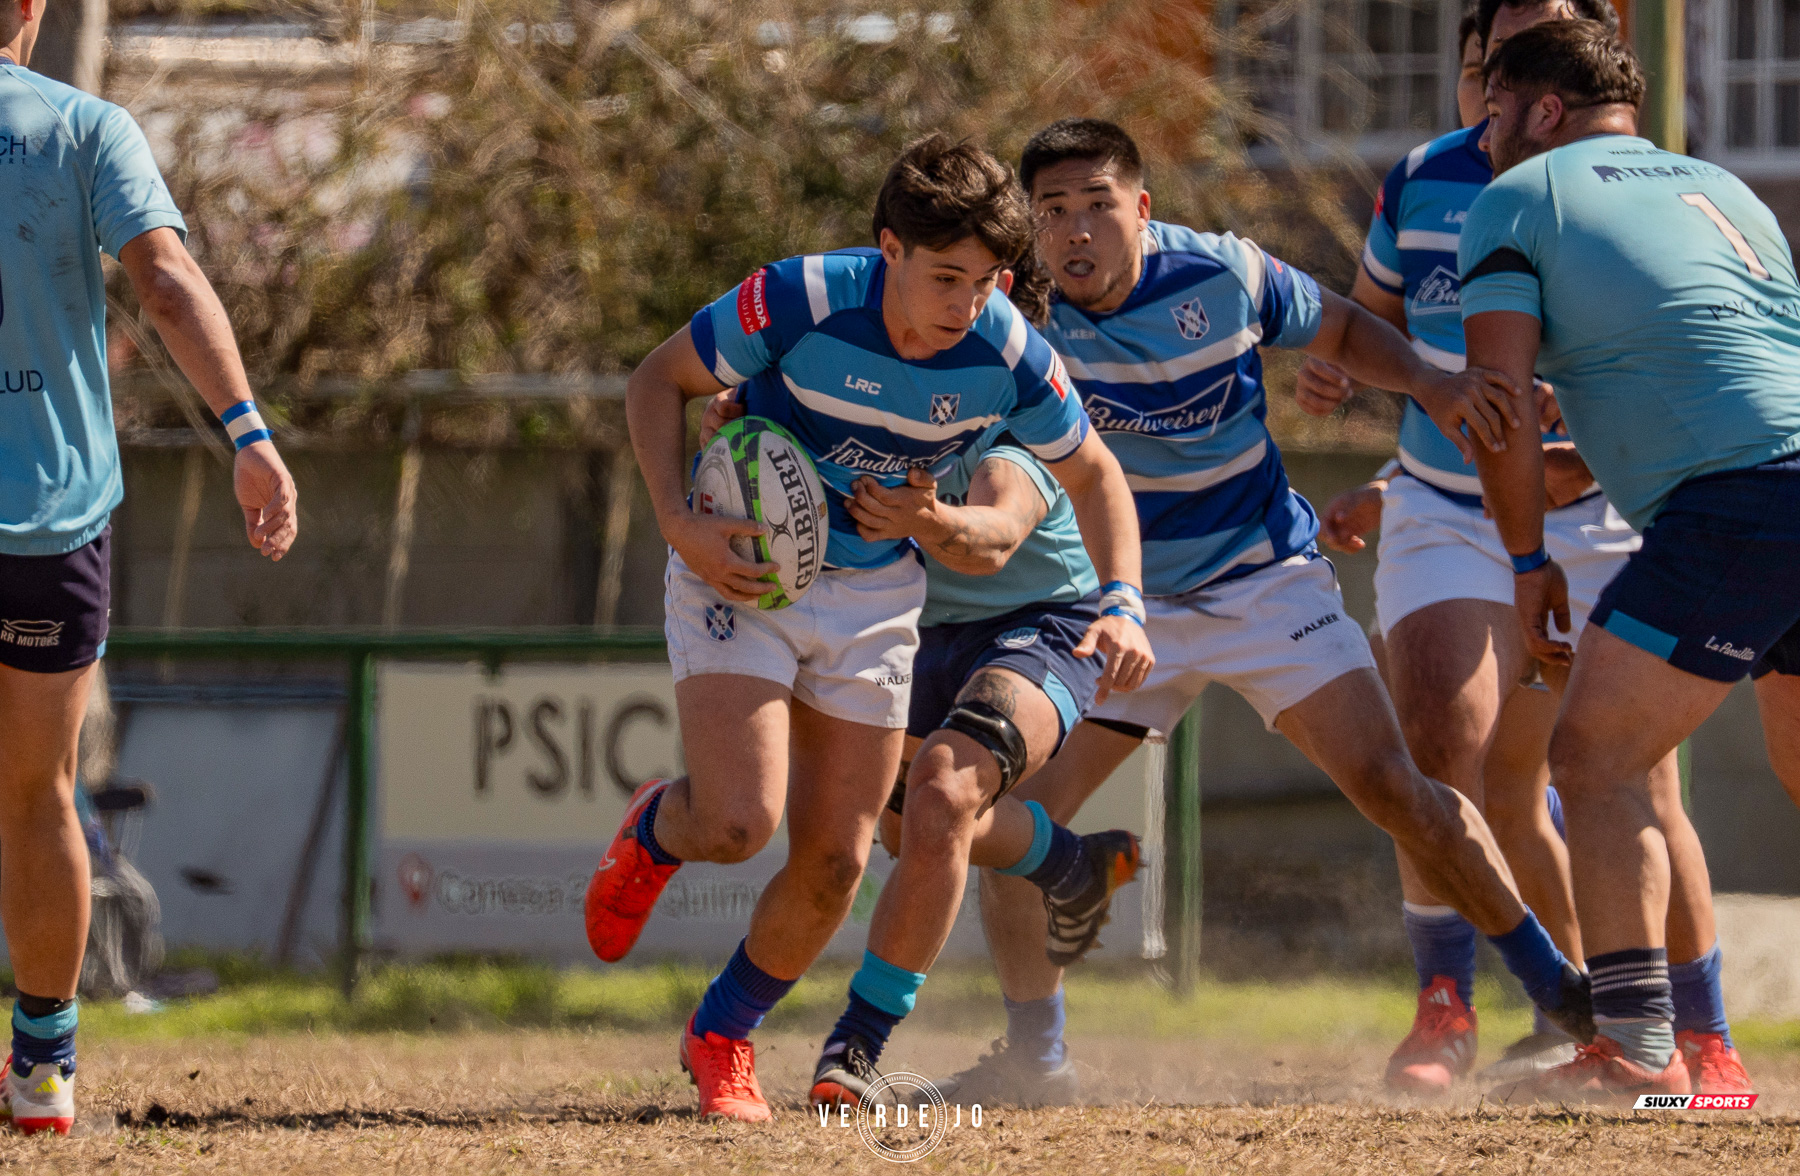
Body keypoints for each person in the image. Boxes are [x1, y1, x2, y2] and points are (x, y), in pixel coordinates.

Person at [939, 117, 1592, 1105]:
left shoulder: (1223, 275)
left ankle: (1566, 998)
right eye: (1052, 213)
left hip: (1260, 581)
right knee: (1017, 815)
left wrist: (1430, 379)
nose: (1074, 232)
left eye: (1096, 207)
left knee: (1397, 789)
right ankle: (1038, 1057)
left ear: (1142, 210)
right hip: (1119, 603)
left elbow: (1333, 325)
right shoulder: (1015, 321)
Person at [586, 134, 1153, 1122]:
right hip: (747, 567)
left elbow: (1094, 473)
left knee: (842, 859)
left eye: (983, 283)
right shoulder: (798, 298)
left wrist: (1124, 597)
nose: (963, 306)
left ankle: (722, 1036)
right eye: (944, 277)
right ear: (886, 248)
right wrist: (680, 520)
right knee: (738, 820)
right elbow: (655, 380)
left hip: (879, 599)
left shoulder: (1008, 354)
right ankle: (658, 829)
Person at [1304, 0, 1747, 1097]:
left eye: (1514, 74)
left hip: (1610, 510)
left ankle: (1681, 1036)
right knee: (1454, 747)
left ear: (1559, 88)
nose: (1490, 92)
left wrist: (1551, 518)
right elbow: (1378, 328)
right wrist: (1358, 412)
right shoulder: (1431, 181)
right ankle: (1494, 1007)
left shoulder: (1585, 191)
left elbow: (1532, 399)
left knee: (1610, 774)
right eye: (1483, 65)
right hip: (1471, 503)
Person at [1462, 19, 1800, 1100]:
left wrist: (1526, 559)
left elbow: (1498, 407)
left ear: (1544, 111)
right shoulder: (1724, 188)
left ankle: (1640, 1051)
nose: (1482, 137)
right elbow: (1717, 357)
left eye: (1492, 109)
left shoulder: (1520, 198)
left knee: (1593, 761)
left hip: (1741, 504)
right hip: (1775, 475)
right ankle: (1671, 1049)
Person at [0, 0, 299, 1134]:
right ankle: (43, 1071)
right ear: (32, 8)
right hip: (50, 519)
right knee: (36, 796)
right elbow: (167, 281)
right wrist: (249, 434)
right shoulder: (86, 127)